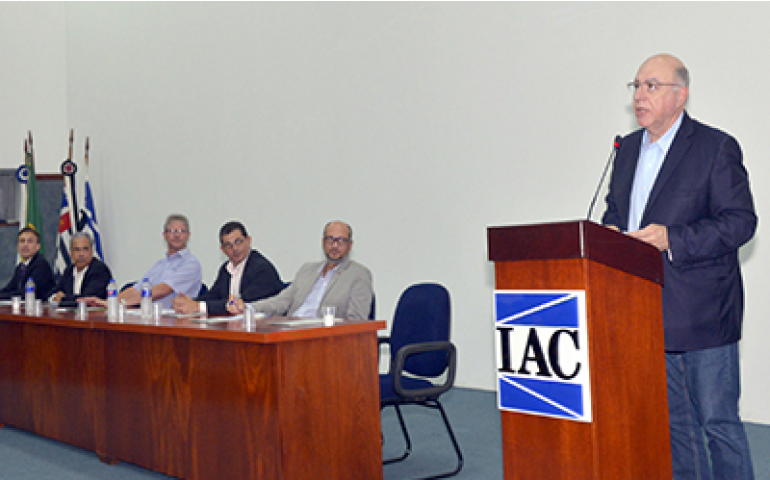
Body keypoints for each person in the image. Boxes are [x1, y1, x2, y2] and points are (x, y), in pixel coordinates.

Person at [602, 54, 756, 479]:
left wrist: (674, 239)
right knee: (675, 428)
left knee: (717, 424)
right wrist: (610, 233)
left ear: (680, 95)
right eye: (635, 86)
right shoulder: (627, 148)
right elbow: (617, 212)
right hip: (645, 309)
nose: (639, 96)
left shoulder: (714, 147)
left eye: (651, 85)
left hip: (703, 312)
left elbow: (741, 221)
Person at [228, 220, 373, 320]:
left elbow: (357, 321)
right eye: (330, 239)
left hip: (324, 340)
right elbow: (281, 301)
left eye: (341, 241)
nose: (335, 245)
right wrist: (248, 308)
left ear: (350, 245)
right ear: (323, 243)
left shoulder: (359, 274)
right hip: (293, 331)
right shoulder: (307, 270)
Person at [89, 214, 202, 310]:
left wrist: (119, 303)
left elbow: (162, 290)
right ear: (165, 235)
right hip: (153, 318)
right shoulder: (160, 264)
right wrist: (109, 302)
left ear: (188, 235)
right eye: (172, 231)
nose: (177, 235)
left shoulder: (191, 264)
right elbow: (137, 289)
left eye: (181, 231)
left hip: (177, 321)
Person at [173, 221, 283, 315]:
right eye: (228, 245)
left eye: (238, 242)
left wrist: (198, 306)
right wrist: (188, 303)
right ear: (223, 249)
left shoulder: (261, 268)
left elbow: (240, 302)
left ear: (248, 241)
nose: (235, 248)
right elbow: (214, 295)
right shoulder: (226, 269)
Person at [49, 232, 113, 307]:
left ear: (92, 251)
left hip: (94, 316)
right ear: (70, 252)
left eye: (85, 249)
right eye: (77, 250)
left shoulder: (99, 269)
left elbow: (87, 300)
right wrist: (54, 297)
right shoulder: (69, 271)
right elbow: (52, 293)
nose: (81, 254)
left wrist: (62, 298)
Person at [0, 226, 55, 300]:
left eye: (30, 241)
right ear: (17, 246)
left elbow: (27, 293)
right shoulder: (21, 267)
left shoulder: (41, 265)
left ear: (38, 246)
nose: (25, 245)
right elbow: (9, 289)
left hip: (41, 309)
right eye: (22, 241)